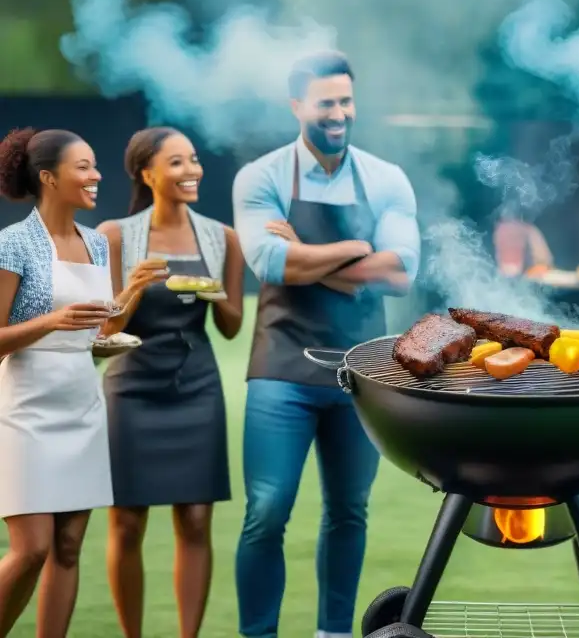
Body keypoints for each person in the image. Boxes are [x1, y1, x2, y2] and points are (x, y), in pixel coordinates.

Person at [232, 51, 420, 638]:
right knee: (266, 512)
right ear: (297, 107)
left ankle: (334, 633)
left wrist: (306, 255)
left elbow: (402, 272)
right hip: (281, 365)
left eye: (346, 101)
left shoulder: (385, 177)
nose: (339, 113)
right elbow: (268, 262)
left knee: (348, 512)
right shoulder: (261, 177)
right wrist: (357, 249)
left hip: (360, 368)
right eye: (326, 103)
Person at [0, 128, 165, 637]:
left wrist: (133, 286)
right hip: (25, 405)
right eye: (84, 166)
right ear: (49, 178)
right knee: (32, 549)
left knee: (68, 549)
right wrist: (51, 321)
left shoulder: (96, 242)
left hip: (81, 402)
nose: (96, 176)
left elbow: (104, 326)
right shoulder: (11, 244)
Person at [98, 127, 245, 638]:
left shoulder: (221, 237)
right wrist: (136, 284)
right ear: (148, 173)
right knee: (127, 522)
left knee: (197, 521)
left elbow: (231, 326)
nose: (192, 171)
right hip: (132, 388)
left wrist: (213, 290)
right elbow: (107, 327)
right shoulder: (115, 236)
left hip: (198, 386)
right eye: (177, 162)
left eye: (195, 160)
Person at [493, 209, 553, 276]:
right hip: (519, 273)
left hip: (505, 273)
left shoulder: (500, 229)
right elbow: (545, 258)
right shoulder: (527, 229)